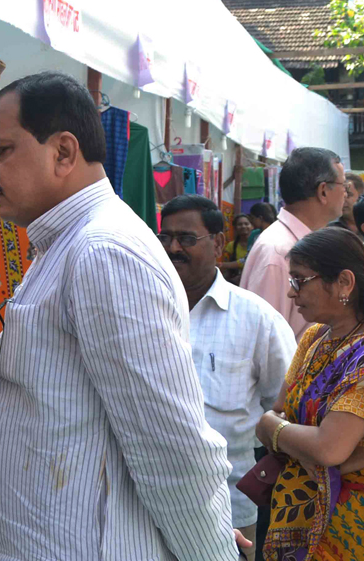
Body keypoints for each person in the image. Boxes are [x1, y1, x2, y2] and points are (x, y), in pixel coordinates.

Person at [0, 71, 244, 561]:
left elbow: (170, 445)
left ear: (63, 152)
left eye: (2, 149)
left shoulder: (104, 251)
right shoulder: (68, 244)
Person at [159, 196, 296, 560]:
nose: (174, 248)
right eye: (166, 237)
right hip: (150, 504)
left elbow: (285, 408)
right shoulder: (144, 310)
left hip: (231, 509)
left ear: (218, 243)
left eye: (187, 239)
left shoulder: (256, 319)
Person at [253, 227, 364, 561]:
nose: (291, 294)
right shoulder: (315, 338)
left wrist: (274, 431)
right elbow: (277, 409)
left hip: (350, 523)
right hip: (297, 510)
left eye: (300, 280)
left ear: (344, 282)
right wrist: (302, 446)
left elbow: (328, 448)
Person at [241, 148, 345, 339]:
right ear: (323, 191)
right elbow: (265, 341)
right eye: (343, 185)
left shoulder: (304, 244)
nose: (345, 193)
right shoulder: (278, 252)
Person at [220, 213, 255, 284]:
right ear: (235, 228)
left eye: (246, 224)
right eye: (240, 224)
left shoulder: (257, 244)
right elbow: (227, 268)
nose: (243, 226)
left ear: (252, 226)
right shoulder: (231, 246)